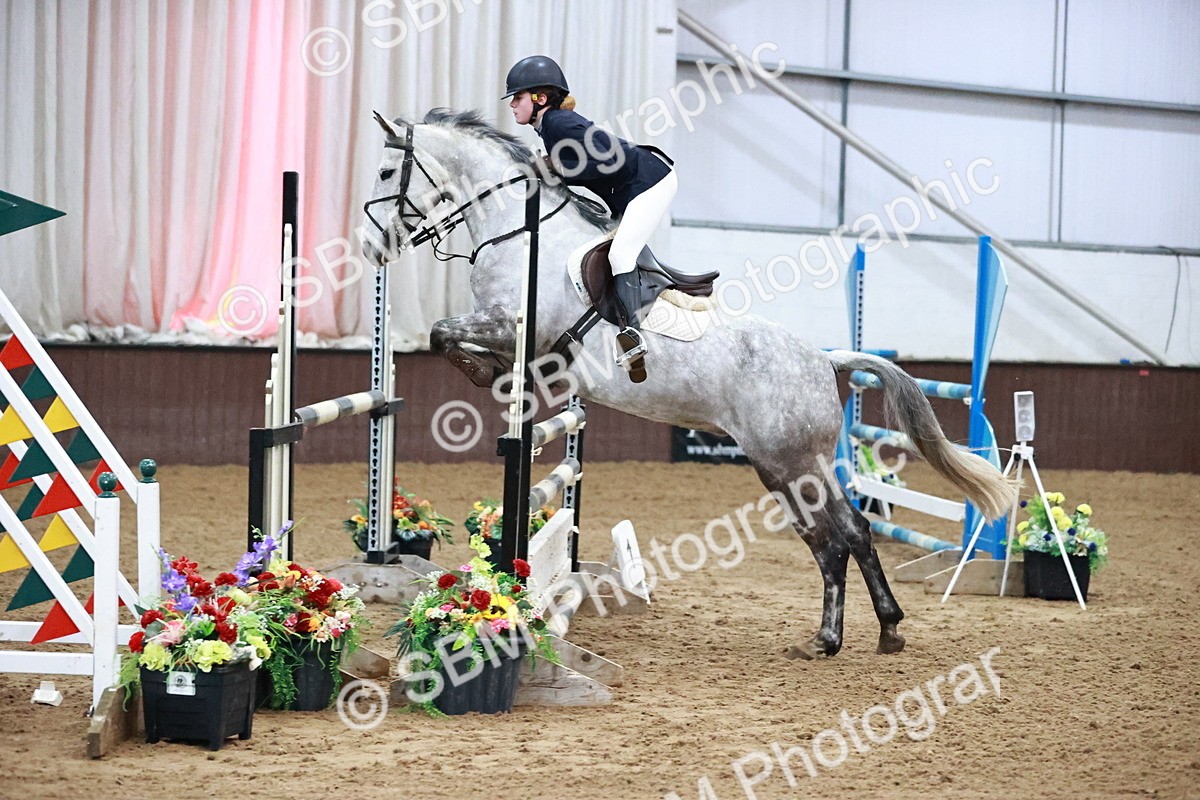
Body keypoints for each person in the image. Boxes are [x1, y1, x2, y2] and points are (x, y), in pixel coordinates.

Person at [503, 55, 676, 383]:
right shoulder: (549, 127)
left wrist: (558, 168)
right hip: (634, 186)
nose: (512, 104)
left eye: (518, 97)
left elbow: (609, 159)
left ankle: (632, 337)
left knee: (621, 254)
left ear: (540, 98)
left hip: (651, 180)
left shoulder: (558, 123)